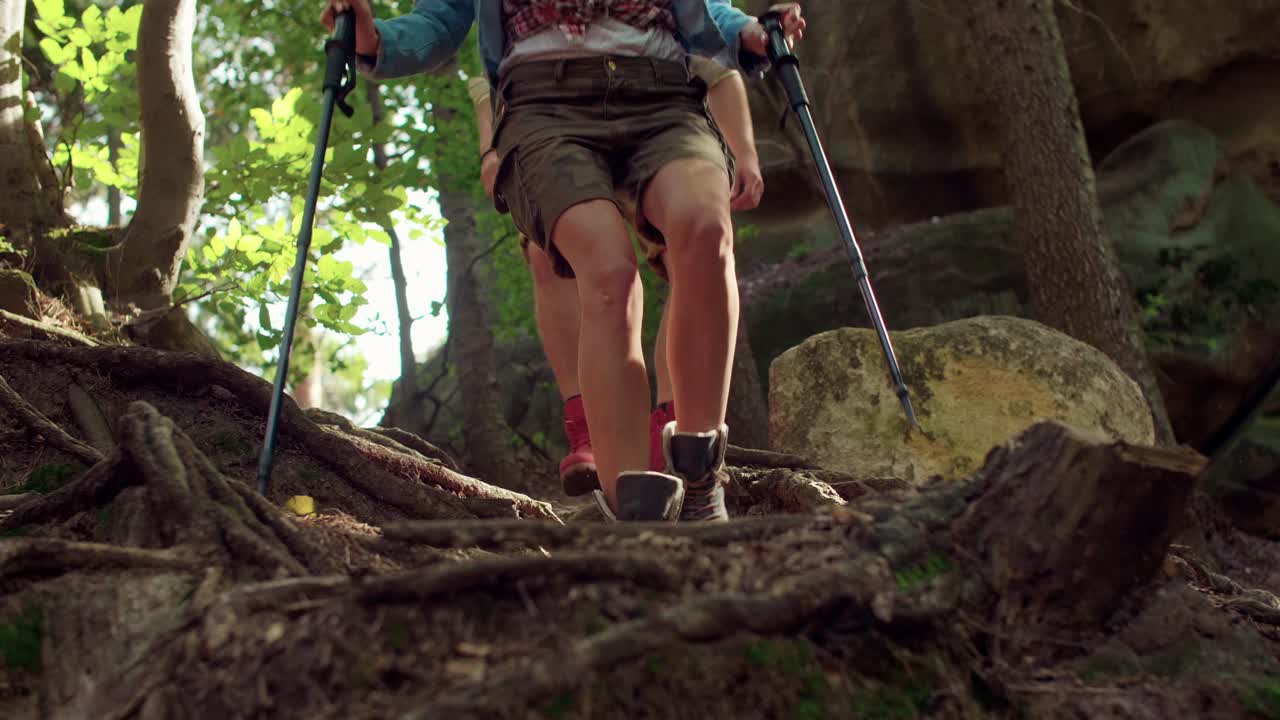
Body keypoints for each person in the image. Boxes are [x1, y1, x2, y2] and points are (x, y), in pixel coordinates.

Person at [323, 0, 806, 522]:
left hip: (664, 96)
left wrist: (755, 34)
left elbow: (709, 12)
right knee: (607, 273)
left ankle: (698, 474)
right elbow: (438, 22)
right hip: (543, 108)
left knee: (706, 230)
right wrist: (373, 41)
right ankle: (634, 506)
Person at [466, 56, 764, 499]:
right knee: (550, 255)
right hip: (547, 118)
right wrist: (491, 146)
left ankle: (672, 420)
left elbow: (714, 42)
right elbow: (479, 68)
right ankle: (586, 427)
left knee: (692, 242)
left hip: (655, 103)